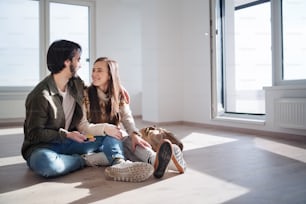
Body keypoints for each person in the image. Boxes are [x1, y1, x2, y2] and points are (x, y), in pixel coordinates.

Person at [22, 40, 153, 182]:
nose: (80, 65)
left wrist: (117, 86)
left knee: (111, 135)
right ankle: (83, 160)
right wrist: (65, 135)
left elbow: (96, 86)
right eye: (78, 59)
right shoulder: (40, 96)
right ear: (67, 62)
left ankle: (119, 164)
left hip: (74, 141)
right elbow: (34, 134)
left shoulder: (75, 83)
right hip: (43, 148)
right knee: (47, 164)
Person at [79, 57, 186, 180]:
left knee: (132, 141)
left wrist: (134, 135)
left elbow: (127, 118)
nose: (94, 74)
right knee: (118, 146)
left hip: (114, 140)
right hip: (92, 140)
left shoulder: (118, 94)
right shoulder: (85, 94)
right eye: (93, 70)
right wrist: (106, 129)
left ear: (110, 75)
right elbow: (83, 126)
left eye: (99, 70)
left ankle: (155, 160)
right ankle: (154, 162)